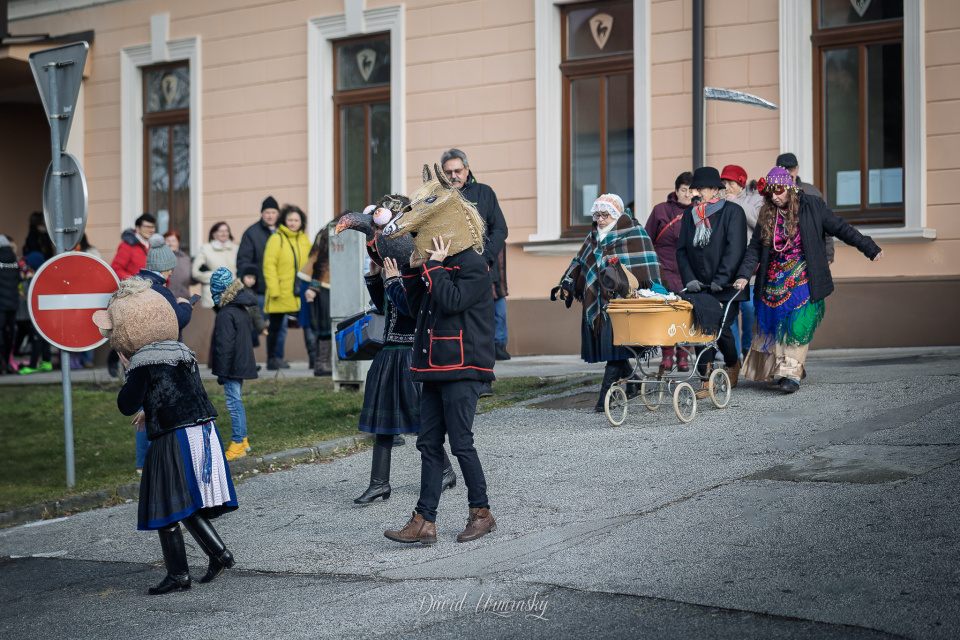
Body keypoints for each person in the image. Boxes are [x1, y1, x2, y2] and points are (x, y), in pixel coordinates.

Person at [95, 278, 237, 595]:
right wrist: (151, 408)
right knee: (184, 502)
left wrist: (129, 368)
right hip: (202, 429)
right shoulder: (181, 352)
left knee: (166, 504)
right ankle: (220, 554)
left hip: (173, 436)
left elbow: (124, 404)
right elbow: (180, 391)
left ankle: (178, 575)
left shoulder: (142, 363)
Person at [384, 230, 497, 545]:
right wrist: (412, 269)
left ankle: (482, 513)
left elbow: (452, 300)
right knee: (428, 443)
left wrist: (433, 266)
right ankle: (424, 520)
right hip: (434, 366)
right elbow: (415, 308)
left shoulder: (474, 263)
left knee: (461, 443)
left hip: (464, 366)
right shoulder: (436, 262)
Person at [733, 167, 884, 393]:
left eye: (780, 191)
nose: (775, 196)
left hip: (804, 275)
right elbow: (754, 248)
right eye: (771, 193)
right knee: (775, 324)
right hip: (773, 279)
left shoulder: (813, 206)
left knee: (797, 322)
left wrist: (869, 247)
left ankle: (791, 373)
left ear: (791, 189)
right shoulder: (767, 214)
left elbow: (842, 229)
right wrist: (744, 275)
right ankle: (788, 367)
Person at [354, 255, 457, 504]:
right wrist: (374, 276)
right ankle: (379, 484)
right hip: (388, 354)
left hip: (410, 353)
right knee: (382, 422)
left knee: (421, 421)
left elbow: (411, 309)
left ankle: (445, 471)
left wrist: (391, 282)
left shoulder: (420, 271)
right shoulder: (397, 271)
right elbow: (383, 307)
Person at [553, 194, 664, 412]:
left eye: (605, 215)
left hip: (625, 304)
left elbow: (647, 266)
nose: (600, 219)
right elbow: (579, 261)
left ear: (616, 214)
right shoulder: (594, 236)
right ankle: (633, 383)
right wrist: (566, 284)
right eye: (597, 215)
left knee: (616, 348)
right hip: (599, 304)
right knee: (614, 348)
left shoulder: (634, 233)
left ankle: (606, 398)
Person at [440, 148, 509, 395]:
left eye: (458, 170)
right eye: (448, 172)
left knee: (482, 326)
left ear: (467, 169)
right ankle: (456, 375)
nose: (453, 176)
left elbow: (500, 229)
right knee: (456, 325)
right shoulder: (437, 196)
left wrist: (485, 258)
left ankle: (484, 380)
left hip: (480, 271)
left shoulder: (484, 193)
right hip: (449, 272)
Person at [676, 166, 748, 389]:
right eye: (693, 189)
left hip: (725, 285)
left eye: (699, 189)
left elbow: (734, 249)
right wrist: (689, 279)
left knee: (721, 327)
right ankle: (705, 376)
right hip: (699, 286)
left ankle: (732, 363)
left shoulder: (733, 212)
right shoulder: (690, 215)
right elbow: (682, 250)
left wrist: (721, 278)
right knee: (701, 329)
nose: (694, 193)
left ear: (715, 189)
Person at [132, 235, 195, 471]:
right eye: (170, 269)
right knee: (164, 406)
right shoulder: (161, 291)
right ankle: (163, 462)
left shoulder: (136, 287)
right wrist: (185, 305)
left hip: (138, 356)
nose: (171, 274)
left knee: (143, 407)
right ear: (165, 268)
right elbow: (178, 321)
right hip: (161, 358)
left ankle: (142, 463)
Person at [645, 171, 694, 372]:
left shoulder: (699, 211)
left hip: (687, 271)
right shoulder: (661, 210)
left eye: (691, 191)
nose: (687, 195)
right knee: (666, 313)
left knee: (685, 313)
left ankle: (683, 355)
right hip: (663, 270)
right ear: (676, 190)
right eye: (684, 190)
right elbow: (647, 239)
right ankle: (667, 355)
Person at [209, 268, 258, 461]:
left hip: (231, 366)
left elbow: (224, 346)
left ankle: (238, 442)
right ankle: (243, 440)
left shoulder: (225, 313)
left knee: (233, 403)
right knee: (237, 401)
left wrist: (222, 372)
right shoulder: (240, 308)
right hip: (240, 362)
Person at [262, 204, 312, 370]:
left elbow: (312, 264)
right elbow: (269, 265)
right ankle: (273, 360)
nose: (293, 223)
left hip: (301, 292)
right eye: (290, 219)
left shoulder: (305, 240)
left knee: (307, 324)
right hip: (280, 292)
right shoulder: (276, 239)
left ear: (301, 222)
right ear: (284, 220)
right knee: (275, 328)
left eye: (296, 220)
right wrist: (274, 289)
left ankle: (314, 359)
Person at [720, 165, 763, 360]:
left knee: (748, 308)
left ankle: (747, 347)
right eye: (724, 183)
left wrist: (736, 203)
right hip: (728, 266)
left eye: (731, 183)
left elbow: (759, 223)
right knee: (730, 311)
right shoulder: (720, 200)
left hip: (750, 268)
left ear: (741, 183)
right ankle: (734, 357)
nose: (727, 187)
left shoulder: (756, 198)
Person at [238, 197, 287, 363]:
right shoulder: (251, 233)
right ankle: (248, 360)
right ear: (262, 213)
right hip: (259, 289)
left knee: (280, 327)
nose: (270, 215)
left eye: (273, 212)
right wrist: (247, 278)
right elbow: (244, 259)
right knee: (253, 325)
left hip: (280, 289)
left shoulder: (284, 231)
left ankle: (276, 358)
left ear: (278, 214)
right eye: (267, 212)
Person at [108, 213, 157, 378]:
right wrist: (135, 281)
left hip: (150, 295)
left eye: (152, 227)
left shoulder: (153, 246)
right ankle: (120, 363)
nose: (150, 230)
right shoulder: (128, 245)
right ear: (137, 228)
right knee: (132, 335)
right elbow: (116, 268)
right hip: (133, 295)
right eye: (146, 227)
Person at [776, 152, 835, 263]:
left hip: (812, 255)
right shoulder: (772, 195)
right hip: (783, 258)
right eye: (784, 170)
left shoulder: (812, 192)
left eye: (791, 169)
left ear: (797, 169)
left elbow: (826, 225)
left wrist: (828, 256)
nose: (788, 173)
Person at [302, 223, 334, 376]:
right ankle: (322, 365)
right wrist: (313, 287)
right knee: (325, 328)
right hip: (323, 286)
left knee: (325, 328)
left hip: (325, 285)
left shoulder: (329, 229)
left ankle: (323, 364)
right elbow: (320, 263)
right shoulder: (331, 231)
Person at [17, 252, 53, 375]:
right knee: (44, 338)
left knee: (36, 338)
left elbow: (30, 296)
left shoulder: (35, 278)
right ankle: (47, 361)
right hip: (45, 314)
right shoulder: (45, 277)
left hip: (38, 314)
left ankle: (33, 365)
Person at [192, 222, 239, 309]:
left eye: (226, 231)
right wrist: (217, 278)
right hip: (212, 296)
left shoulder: (236, 249)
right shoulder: (205, 249)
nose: (224, 233)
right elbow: (195, 272)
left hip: (233, 293)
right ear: (214, 234)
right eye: (221, 231)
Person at [0, 236, 20, 375]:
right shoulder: (14, 260)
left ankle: (2, 365)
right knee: (9, 333)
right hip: (13, 304)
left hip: (0, 305)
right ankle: (7, 363)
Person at [239, 267, 267, 349]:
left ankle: (247, 362)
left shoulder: (253, 294)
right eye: (249, 277)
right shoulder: (238, 291)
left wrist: (262, 327)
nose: (252, 280)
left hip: (248, 327)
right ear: (243, 277)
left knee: (247, 347)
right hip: (239, 326)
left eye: (254, 278)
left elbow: (256, 313)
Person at [162, 230, 193, 300]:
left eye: (173, 241)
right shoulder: (159, 258)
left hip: (183, 297)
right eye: (168, 241)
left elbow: (191, 279)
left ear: (178, 242)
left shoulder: (186, 258)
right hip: (165, 297)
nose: (171, 244)